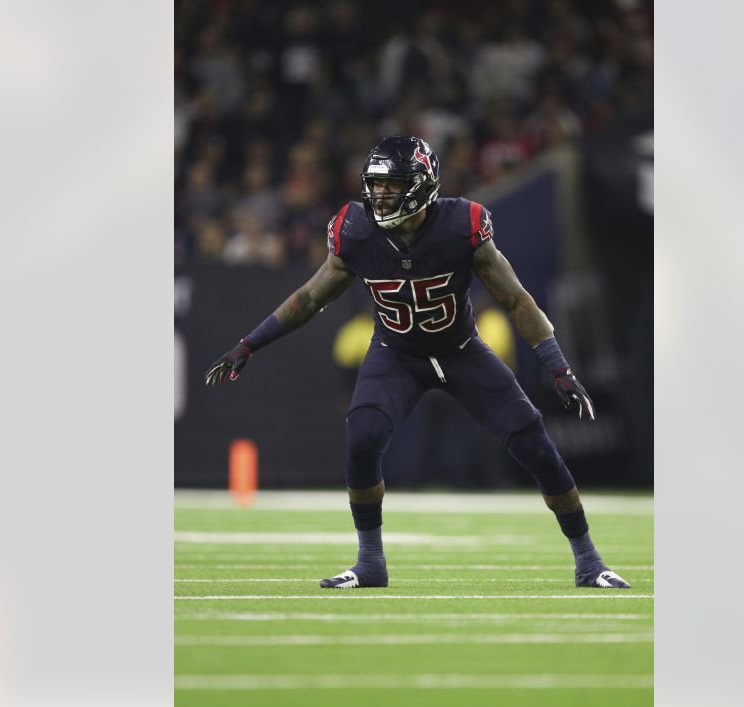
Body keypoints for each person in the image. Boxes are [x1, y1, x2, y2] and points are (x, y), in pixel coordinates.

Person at [205, 135, 630, 590]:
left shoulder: (460, 224)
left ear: (424, 185)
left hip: (462, 350)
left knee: (535, 444)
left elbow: (516, 300)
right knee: (363, 436)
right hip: (396, 354)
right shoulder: (356, 228)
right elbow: (310, 296)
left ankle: (589, 560)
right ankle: (370, 562)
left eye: (394, 185)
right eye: (376, 185)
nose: (381, 195)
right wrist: (249, 343)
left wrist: (557, 364)